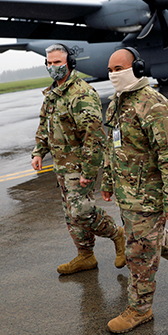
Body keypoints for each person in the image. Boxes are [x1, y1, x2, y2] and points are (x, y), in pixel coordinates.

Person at [101, 47, 168, 334]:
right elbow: (113, 146)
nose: (114, 75)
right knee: (151, 241)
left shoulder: (154, 104)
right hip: (128, 194)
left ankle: (140, 310)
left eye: (119, 69)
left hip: (149, 195)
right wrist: (108, 182)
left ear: (137, 67)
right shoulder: (116, 104)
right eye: (110, 70)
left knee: (138, 253)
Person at [31, 43, 126, 275]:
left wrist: (89, 172)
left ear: (69, 64)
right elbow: (45, 124)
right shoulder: (52, 94)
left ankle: (117, 234)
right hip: (61, 167)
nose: (53, 67)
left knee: (80, 212)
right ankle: (85, 256)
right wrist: (38, 151)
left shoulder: (80, 93)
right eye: (49, 63)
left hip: (79, 166)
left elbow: (93, 136)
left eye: (57, 63)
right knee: (71, 216)